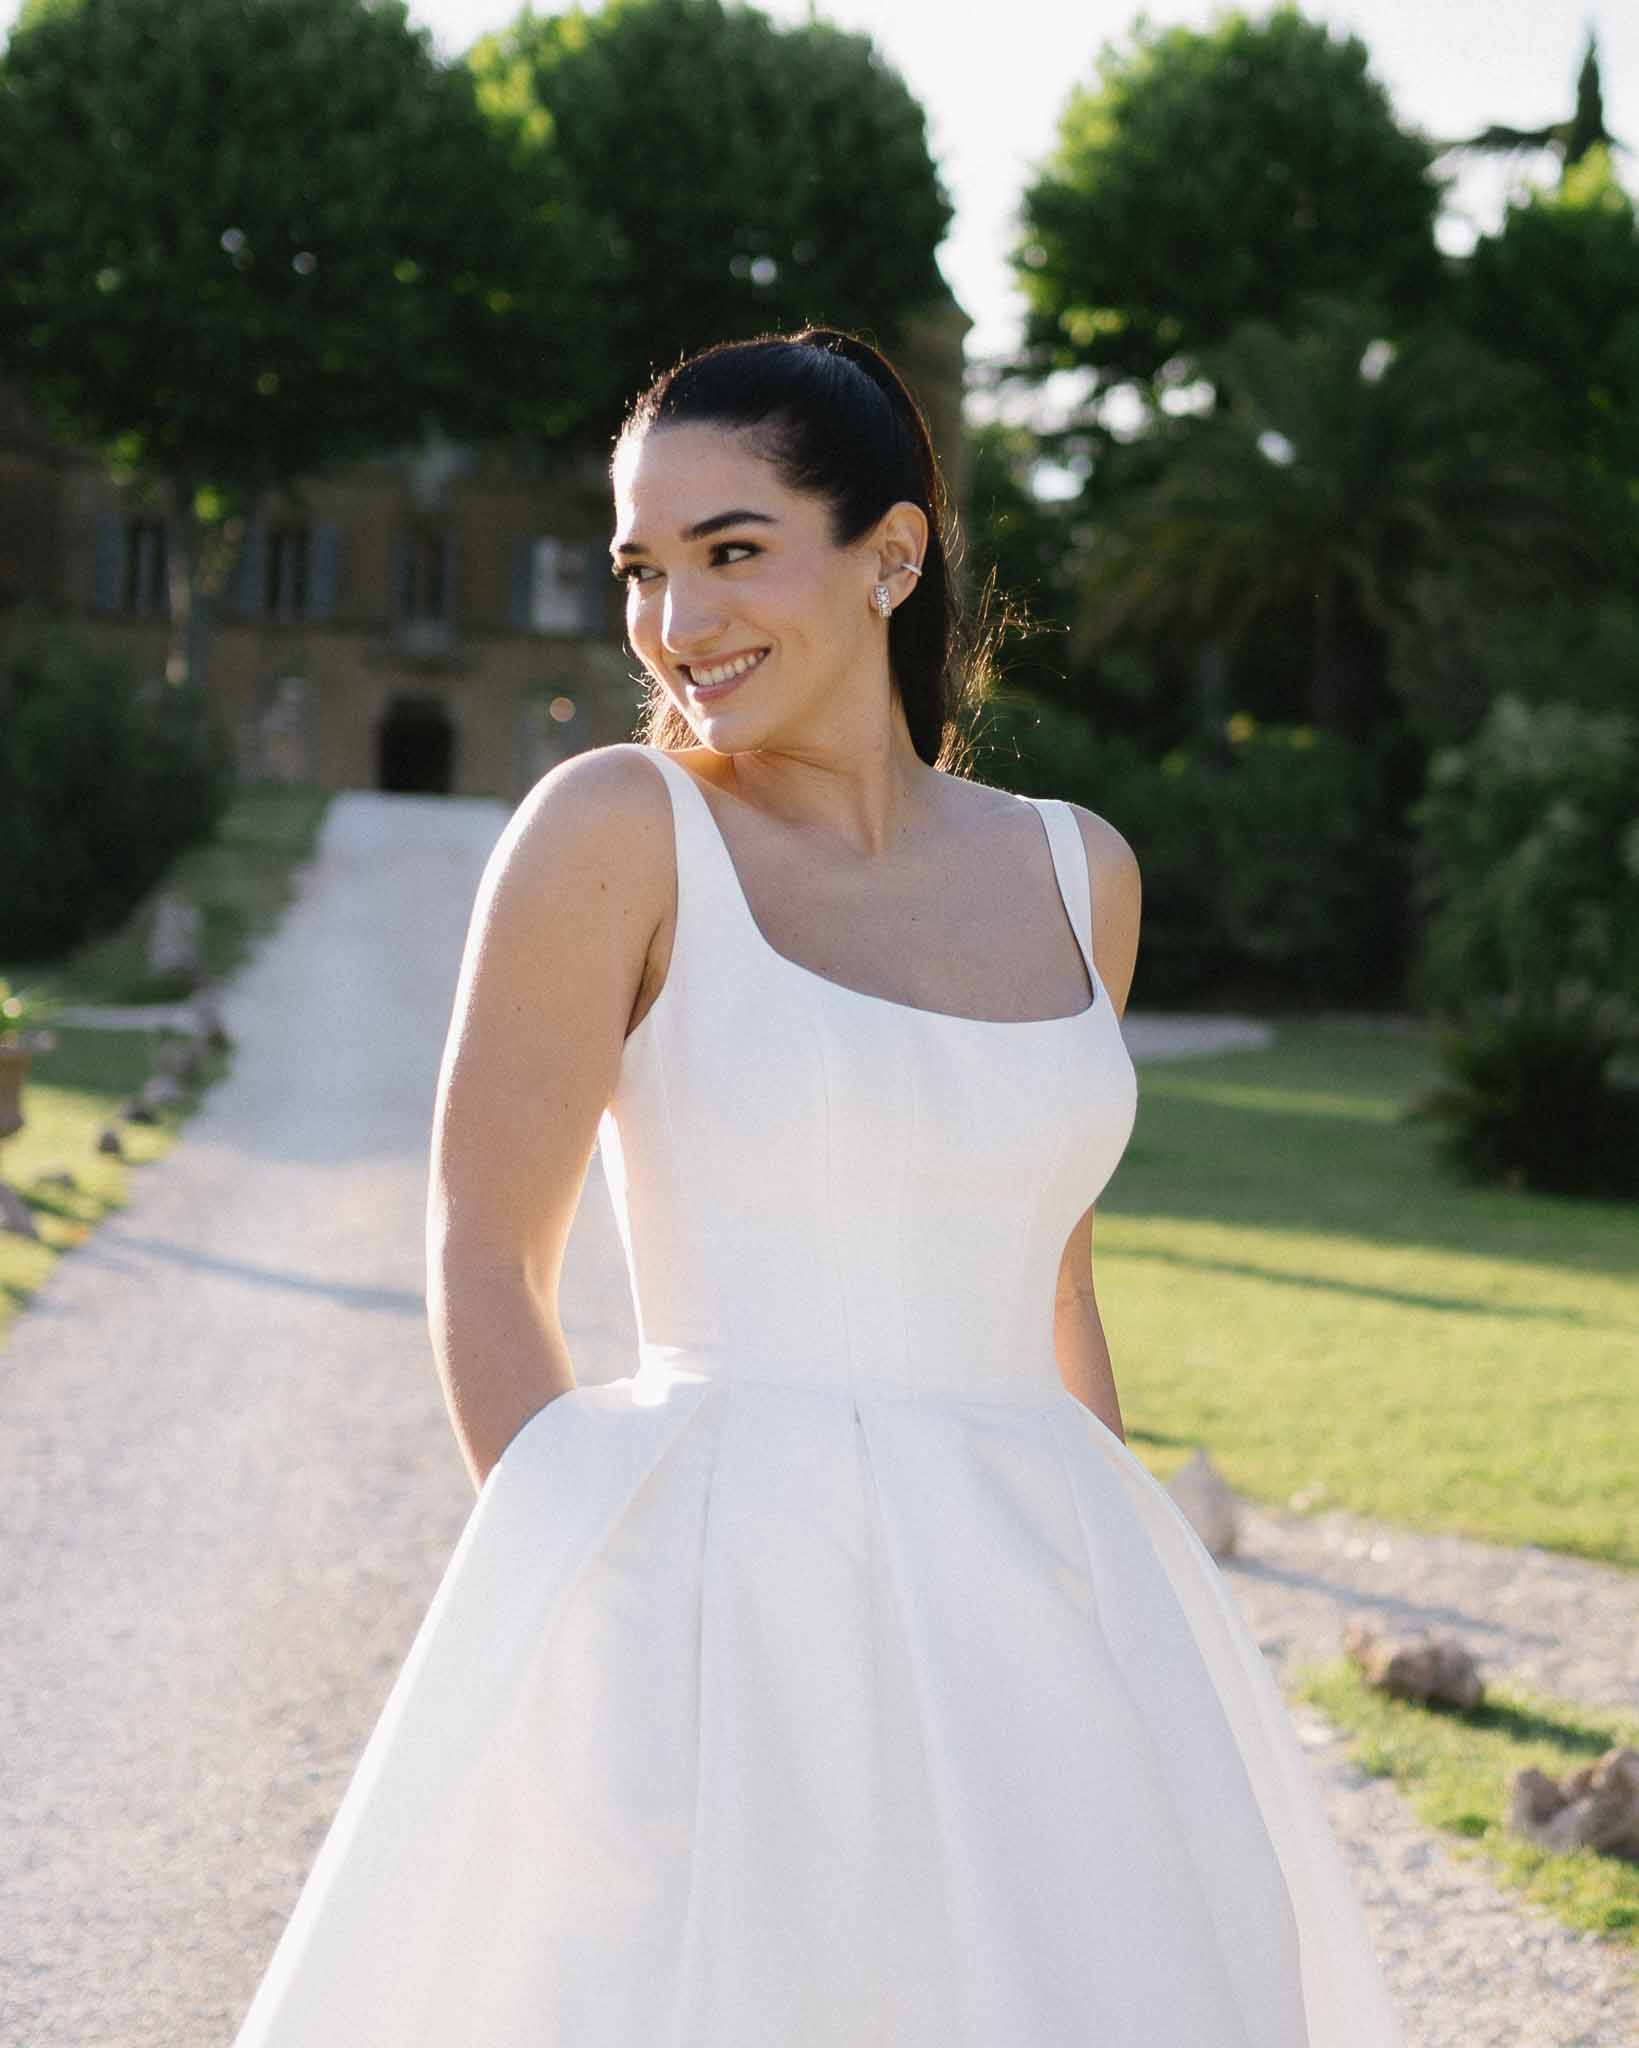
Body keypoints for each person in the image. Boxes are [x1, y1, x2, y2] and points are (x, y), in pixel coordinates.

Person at [229, 326, 1406, 2045]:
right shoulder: (614, 829)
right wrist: (596, 1629)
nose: (675, 623)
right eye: (643, 569)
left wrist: (1124, 1630)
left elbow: (1055, 1288)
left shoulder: (1084, 874)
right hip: (717, 1591)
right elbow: (485, 1256)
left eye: (732, 553)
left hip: (1038, 1601)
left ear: (894, 555)